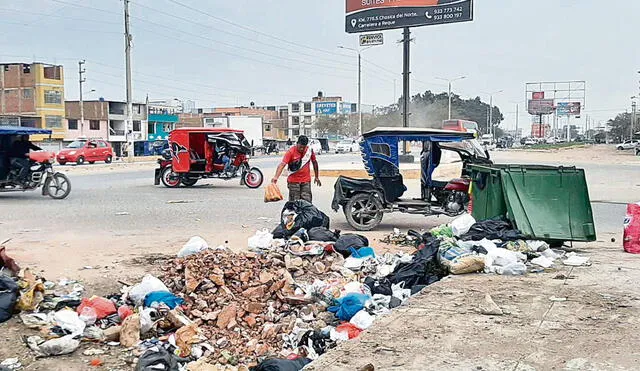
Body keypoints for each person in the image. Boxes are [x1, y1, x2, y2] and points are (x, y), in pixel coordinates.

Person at [272, 135, 320, 202]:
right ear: (297, 144)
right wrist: (275, 177)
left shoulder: (309, 151)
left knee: (307, 204)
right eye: (300, 147)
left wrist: (317, 177)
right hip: (293, 182)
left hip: (306, 181)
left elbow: (315, 163)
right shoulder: (290, 152)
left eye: (304, 147)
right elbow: (282, 164)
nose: (302, 149)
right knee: (294, 203)